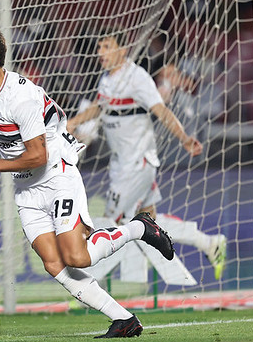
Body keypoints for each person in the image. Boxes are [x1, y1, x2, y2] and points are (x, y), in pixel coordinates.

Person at [0, 28, 174, 339]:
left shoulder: (22, 97)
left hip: (56, 175)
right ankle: (123, 319)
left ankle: (139, 228)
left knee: (76, 257)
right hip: (26, 188)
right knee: (53, 263)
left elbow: (38, 156)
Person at [66, 28, 228, 279]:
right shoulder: (108, 78)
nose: (101, 53)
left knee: (112, 223)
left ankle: (84, 286)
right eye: (99, 48)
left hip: (137, 164)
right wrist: (74, 122)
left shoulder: (137, 78)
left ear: (122, 50)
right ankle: (208, 243)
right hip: (123, 162)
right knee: (150, 223)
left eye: (107, 46)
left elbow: (161, 111)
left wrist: (184, 138)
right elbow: (100, 107)